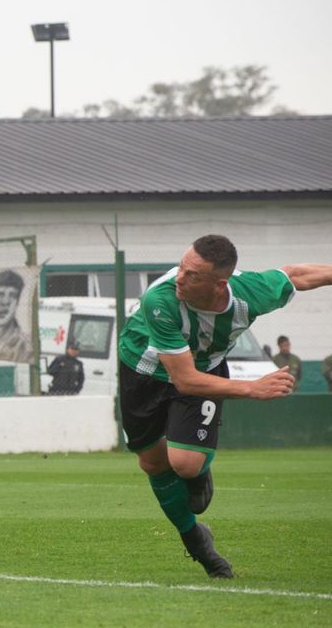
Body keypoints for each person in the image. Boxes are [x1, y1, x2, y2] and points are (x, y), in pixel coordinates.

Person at [117, 234, 331, 578]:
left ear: (220, 284)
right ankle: (196, 539)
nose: (180, 279)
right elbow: (183, 379)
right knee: (152, 461)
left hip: (204, 369)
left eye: (192, 275)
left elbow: (296, 275)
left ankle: (198, 475)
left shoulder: (250, 294)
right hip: (142, 370)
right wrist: (252, 388)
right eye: (182, 268)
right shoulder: (161, 298)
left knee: (185, 464)